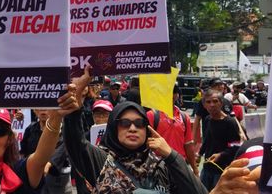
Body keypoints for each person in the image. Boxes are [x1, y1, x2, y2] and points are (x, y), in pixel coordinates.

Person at [64, 66, 207, 193]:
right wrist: (77, 96)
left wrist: (171, 155)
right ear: (114, 128)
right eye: (125, 123)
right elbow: (75, 141)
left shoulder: (160, 166)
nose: (133, 128)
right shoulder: (101, 161)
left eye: (139, 123)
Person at [147, 85, 199, 176]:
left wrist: (194, 168)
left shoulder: (184, 117)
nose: (171, 95)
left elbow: (188, 145)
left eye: (174, 92)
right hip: (158, 166)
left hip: (180, 166)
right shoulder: (151, 115)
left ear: (177, 95)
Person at [20, 109, 72, 194]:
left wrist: (49, 164)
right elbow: (23, 150)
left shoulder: (63, 128)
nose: (43, 111)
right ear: (34, 111)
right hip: (34, 176)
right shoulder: (30, 129)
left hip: (57, 177)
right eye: (40, 108)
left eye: (46, 108)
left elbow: (63, 148)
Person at [200, 89, 242, 191]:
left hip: (223, 169)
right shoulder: (207, 120)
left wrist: (221, 155)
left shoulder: (230, 123)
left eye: (215, 101)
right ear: (204, 105)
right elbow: (206, 140)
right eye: (208, 102)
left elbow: (236, 147)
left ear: (221, 103)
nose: (212, 105)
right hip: (207, 167)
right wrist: (199, 154)